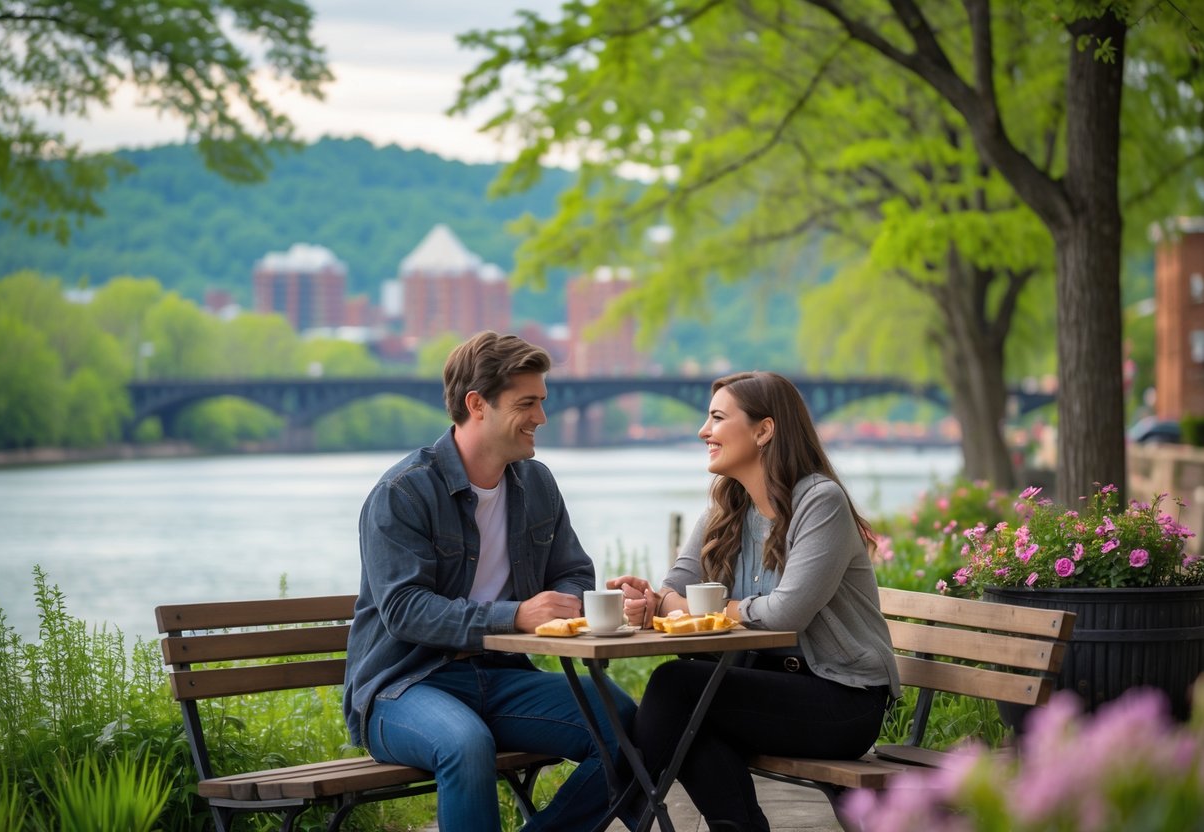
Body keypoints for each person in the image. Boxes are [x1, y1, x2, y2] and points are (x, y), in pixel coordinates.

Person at [343, 330, 636, 832]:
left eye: (542, 401)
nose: (542, 418)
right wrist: (517, 614)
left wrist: (580, 606)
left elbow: (572, 572)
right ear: (477, 404)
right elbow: (405, 610)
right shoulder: (403, 493)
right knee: (465, 743)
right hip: (402, 688)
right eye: (528, 403)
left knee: (623, 723)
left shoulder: (536, 483)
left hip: (499, 677)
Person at [608, 371, 901, 831]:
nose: (704, 431)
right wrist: (648, 600)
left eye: (718, 418)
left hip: (842, 699)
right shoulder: (728, 509)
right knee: (692, 727)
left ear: (764, 430)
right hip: (762, 688)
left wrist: (690, 608)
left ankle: (603, 811)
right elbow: (674, 587)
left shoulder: (818, 502)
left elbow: (786, 612)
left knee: (674, 688)